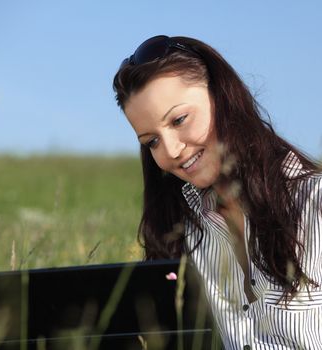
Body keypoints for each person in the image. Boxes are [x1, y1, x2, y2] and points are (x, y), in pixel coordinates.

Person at [113, 35, 322, 349]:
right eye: (151, 141)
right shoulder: (178, 233)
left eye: (179, 120)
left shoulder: (314, 203)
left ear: (222, 96)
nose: (172, 150)